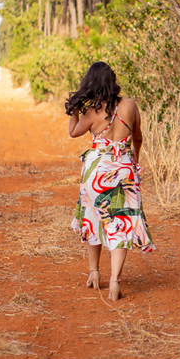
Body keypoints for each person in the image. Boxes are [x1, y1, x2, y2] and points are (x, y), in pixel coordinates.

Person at [65, 61, 154, 300]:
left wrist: (74, 110)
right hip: (124, 168)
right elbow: (138, 138)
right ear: (113, 81)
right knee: (122, 224)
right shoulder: (130, 106)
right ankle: (114, 282)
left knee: (94, 219)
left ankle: (94, 273)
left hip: (96, 171)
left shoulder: (92, 111)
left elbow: (73, 132)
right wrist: (134, 159)